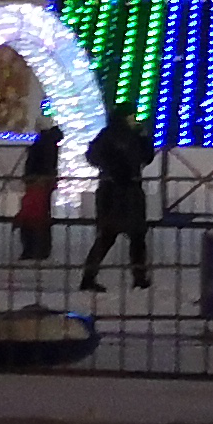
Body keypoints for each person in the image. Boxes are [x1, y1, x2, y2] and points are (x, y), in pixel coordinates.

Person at [79, 105, 158, 291]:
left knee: (124, 237)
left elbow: (147, 157)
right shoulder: (111, 135)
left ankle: (135, 276)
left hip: (122, 190)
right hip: (118, 191)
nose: (134, 118)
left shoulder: (123, 135)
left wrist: (144, 138)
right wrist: (115, 166)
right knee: (116, 237)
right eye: (131, 115)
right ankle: (93, 277)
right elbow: (94, 156)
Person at [12, 119, 63, 260]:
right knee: (41, 215)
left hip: (38, 182)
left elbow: (36, 163)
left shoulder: (41, 144)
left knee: (33, 215)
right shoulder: (51, 143)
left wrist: (31, 178)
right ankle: (41, 248)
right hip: (44, 182)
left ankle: (32, 248)